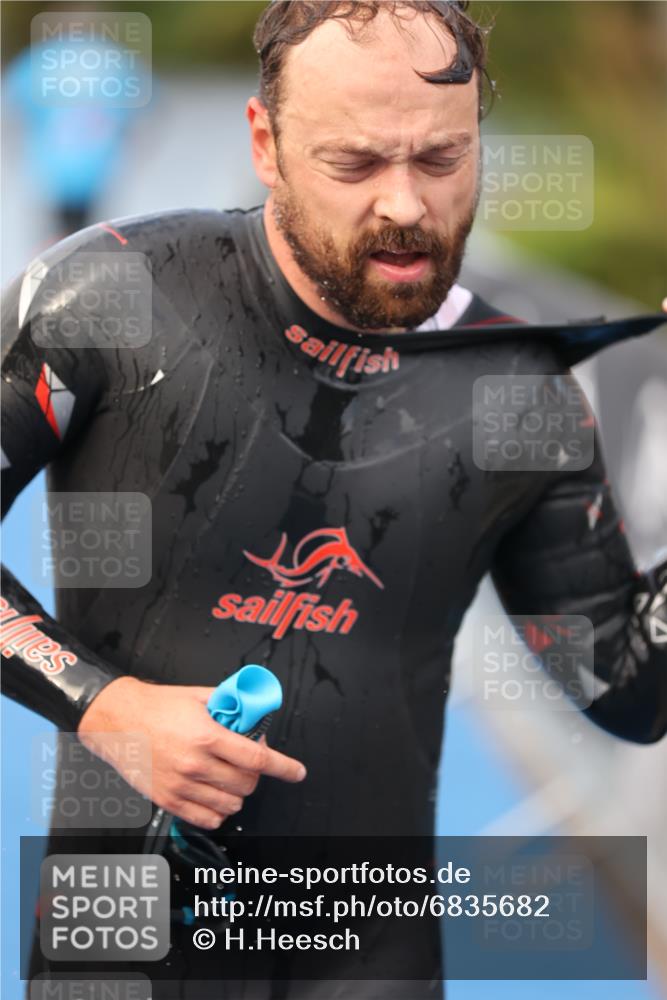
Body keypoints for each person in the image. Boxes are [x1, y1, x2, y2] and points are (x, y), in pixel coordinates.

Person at [2, 2, 666, 998]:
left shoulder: (519, 392)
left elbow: (625, 684)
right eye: (355, 164)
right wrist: (112, 708)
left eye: (439, 160)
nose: (404, 204)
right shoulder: (109, 295)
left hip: (372, 960)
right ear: (266, 145)